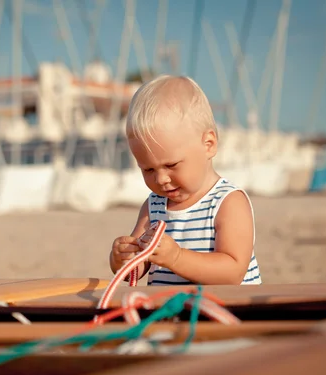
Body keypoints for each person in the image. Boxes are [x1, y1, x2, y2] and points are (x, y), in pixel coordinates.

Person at [109, 75, 261, 286]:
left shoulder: (227, 202)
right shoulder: (153, 206)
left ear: (208, 144)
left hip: (226, 312)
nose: (161, 179)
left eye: (171, 165)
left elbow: (233, 271)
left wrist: (176, 257)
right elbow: (136, 268)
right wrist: (123, 260)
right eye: (148, 169)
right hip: (170, 312)